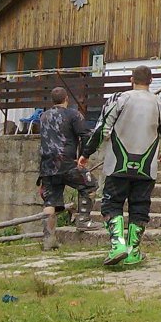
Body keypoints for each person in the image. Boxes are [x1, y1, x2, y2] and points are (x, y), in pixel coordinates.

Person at [78, 65, 161, 267]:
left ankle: (118, 245)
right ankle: (133, 251)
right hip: (146, 167)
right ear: (151, 81)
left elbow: (102, 129)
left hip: (117, 164)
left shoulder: (119, 99)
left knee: (112, 204)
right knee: (140, 206)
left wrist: (86, 153)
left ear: (131, 79)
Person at [38, 86, 101, 250]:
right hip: (66, 162)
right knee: (90, 185)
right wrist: (84, 155)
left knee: (50, 201)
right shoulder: (73, 114)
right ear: (67, 98)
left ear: (52, 100)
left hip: (47, 166)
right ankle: (84, 220)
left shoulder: (43, 116)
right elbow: (86, 135)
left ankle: (48, 240)